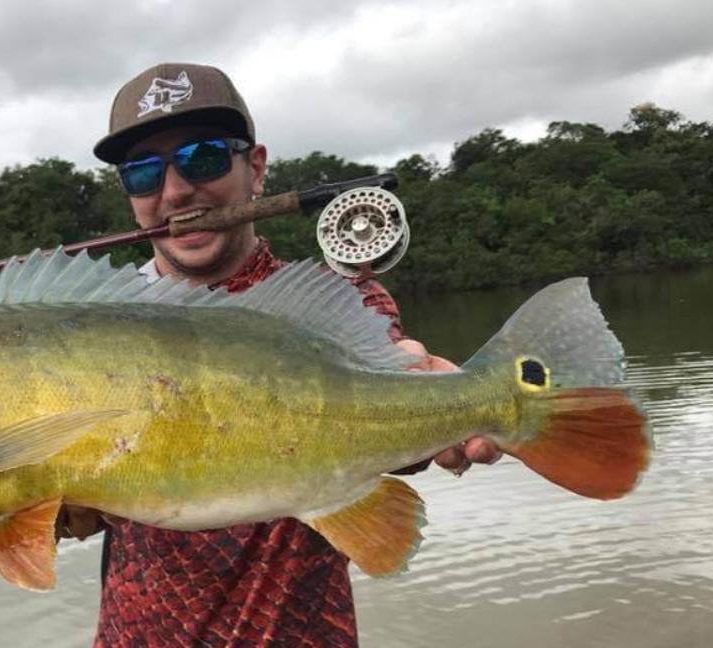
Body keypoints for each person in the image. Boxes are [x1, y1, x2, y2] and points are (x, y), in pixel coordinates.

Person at [61, 62, 501, 647]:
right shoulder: (93, 334)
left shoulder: (341, 300)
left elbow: (391, 390)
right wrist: (41, 511)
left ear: (257, 168)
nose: (175, 191)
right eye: (142, 172)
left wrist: (437, 402)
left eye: (203, 158)